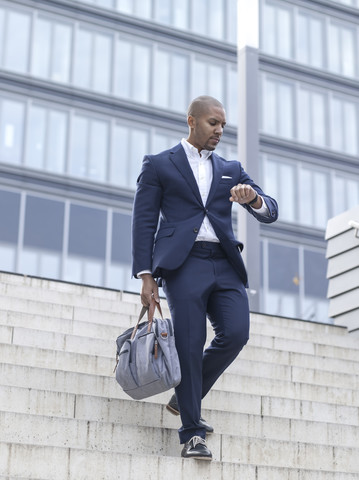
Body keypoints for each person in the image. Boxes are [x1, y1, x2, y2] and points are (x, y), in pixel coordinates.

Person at [132, 95, 278, 460]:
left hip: (225, 263)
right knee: (189, 342)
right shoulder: (159, 164)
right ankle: (192, 434)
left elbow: (270, 209)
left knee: (237, 333)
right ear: (192, 121)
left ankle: (185, 397)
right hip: (184, 264)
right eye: (213, 123)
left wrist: (253, 199)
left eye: (224, 125)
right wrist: (146, 274)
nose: (220, 130)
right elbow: (144, 221)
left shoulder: (231, 167)